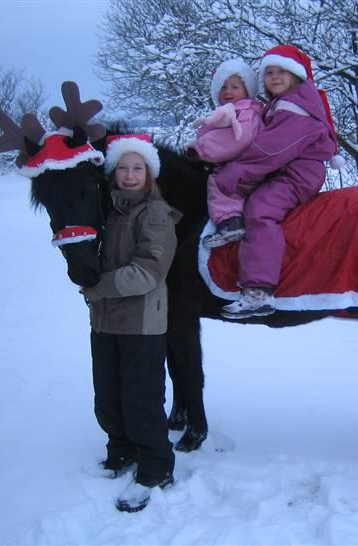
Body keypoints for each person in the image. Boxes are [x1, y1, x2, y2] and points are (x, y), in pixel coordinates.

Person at [81, 133, 181, 513]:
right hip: (104, 321)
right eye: (122, 167)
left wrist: (98, 286)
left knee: (141, 400)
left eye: (137, 167)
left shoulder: (155, 214)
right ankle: (121, 451)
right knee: (107, 396)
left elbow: (148, 272)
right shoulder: (109, 212)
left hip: (142, 324)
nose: (129, 174)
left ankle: (156, 468)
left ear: (149, 173)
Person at [213, 45, 341, 319]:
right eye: (269, 72)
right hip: (289, 168)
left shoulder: (294, 107)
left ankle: (258, 290)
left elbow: (271, 150)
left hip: (298, 174)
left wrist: (237, 170)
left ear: (295, 76)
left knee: (260, 209)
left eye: (281, 71)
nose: (274, 76)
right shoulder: (286, 102)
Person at [186, 58, 263, 248]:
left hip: (246, 168)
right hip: (239, 165)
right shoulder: (232, 111)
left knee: (218, 184)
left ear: (248, 90)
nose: (228, 91)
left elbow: (237, 140)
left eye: (235, 86)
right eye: (223, 87)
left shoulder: (246, 113)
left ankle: (230, 222)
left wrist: (201, 149)